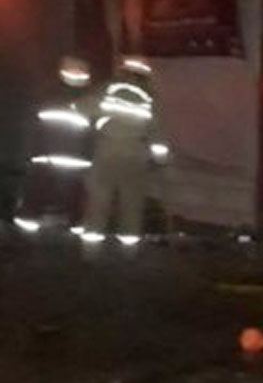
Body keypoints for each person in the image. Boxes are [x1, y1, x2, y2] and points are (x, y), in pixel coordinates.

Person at [77, 55, 171, 247]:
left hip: (106, 150)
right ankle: (129, 248)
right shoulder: (150, 97)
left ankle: (90, 248)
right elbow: (158, 133)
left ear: (123, 71)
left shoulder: (109, 88)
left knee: (99, 199)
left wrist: (93, 126)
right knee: (131, 202)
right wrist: (161, 159)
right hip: (135, 155)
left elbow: (82, 107)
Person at [13, 56, 95, 233]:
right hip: (75, 159)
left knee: (38, 191)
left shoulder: (47, 95)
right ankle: (76, 225)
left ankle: (28, 225)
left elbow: (34, 127)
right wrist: (90, 157)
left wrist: (31, 152)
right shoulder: (89, 101)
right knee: (74, 193)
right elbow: (93, 134)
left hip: (47, 156)